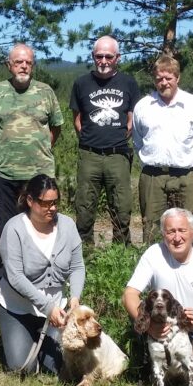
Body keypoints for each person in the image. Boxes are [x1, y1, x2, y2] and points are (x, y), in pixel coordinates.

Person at [123, 208, 193, 386]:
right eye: (170, 231)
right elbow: (129, 294)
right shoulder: (153, 254)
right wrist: (148, 325)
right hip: (161, 329)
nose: (177, 237)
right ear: (163, 234)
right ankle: (157, 366)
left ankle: (177, 371)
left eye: (182, 230)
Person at [0, 175, 85, 374]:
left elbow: (77, 266)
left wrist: (75, 298)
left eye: (55, 203)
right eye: (45, 203)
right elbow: (16, 277)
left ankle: (39, 342)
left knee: (58, 366)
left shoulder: (68, 225)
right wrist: (47, 307)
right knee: (23, 368)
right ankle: (16, 339)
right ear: (30, 201)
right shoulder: (13, 229)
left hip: (56, 310)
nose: (52, 208)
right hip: (18, 308)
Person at [133, 54, 193, 245]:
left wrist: (189, 158)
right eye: (159, 78)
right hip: (153, 176)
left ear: (177, 78)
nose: (164, 83)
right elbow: (137, 140)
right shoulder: (143, 106)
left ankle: (187, 269)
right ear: (154, 80)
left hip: (185, 175)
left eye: (168, 78)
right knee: (151, 228)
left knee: (187, 227)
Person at [0, 43, 64, 238]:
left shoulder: (45, 92)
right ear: (8, 65)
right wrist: (8, 150)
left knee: (40, 226)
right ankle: (6, 266)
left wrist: (40, 149)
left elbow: (56, 126)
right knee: (5, 228)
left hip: (39, 173)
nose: (24, 66)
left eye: (28, 62)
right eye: (18, 62)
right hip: (5, 174)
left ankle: (40, 266)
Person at [70, 35, 141, 245]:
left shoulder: (128, 82)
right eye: (99, 56)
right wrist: (88, 138)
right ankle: (84, 253)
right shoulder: (81, 83)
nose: (103, 61)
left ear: (117, 57)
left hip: (118, 154)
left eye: (108, 56)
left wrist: (120, 136)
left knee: (122, 207)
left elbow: (132, 117)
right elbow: (77, 119)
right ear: (93, 56)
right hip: (89, 153)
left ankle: (120, 253)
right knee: (84, 207)